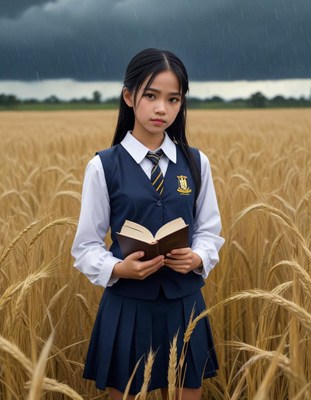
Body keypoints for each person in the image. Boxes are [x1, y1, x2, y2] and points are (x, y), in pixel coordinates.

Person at [71, 48, 225, 400]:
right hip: (127, 305)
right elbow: (85, 246)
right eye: (151, 96)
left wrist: (198, 257)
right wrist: (117, 268)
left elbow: (208, 229)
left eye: (173, 99)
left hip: (184, 303)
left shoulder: (196, 162)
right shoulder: (103, 166)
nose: (162, 109)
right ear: (128, 96)